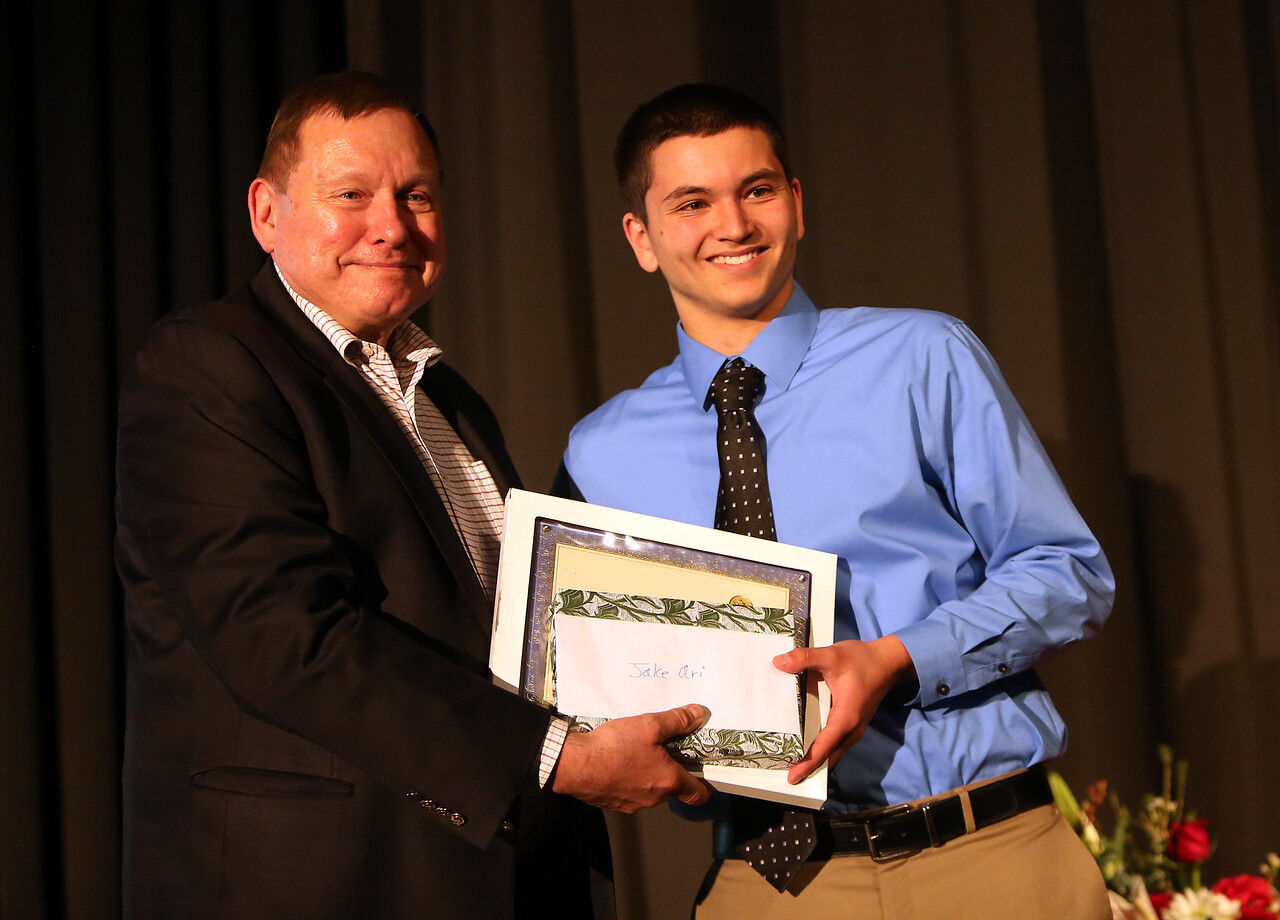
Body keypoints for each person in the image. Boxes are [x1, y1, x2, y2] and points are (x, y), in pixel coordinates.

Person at [115, 71, 711, 920]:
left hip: (497, 868)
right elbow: (284, 637)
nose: (391, 226)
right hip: (321, 884)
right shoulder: (208, 365)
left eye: (417, 195)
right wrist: (563, 758)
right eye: (350, 193)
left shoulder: (448, 398)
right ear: (266, 213)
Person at [554, 83, 1115, 919]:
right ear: (641, 237)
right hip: (774, 883)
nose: (734, 225)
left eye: (757, 190)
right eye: (691, 202)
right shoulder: (602, 453)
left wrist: (895, 658)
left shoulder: (923, 356)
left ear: (796, 203)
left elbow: (1070, 573)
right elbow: (601, 669)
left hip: (988, 853)